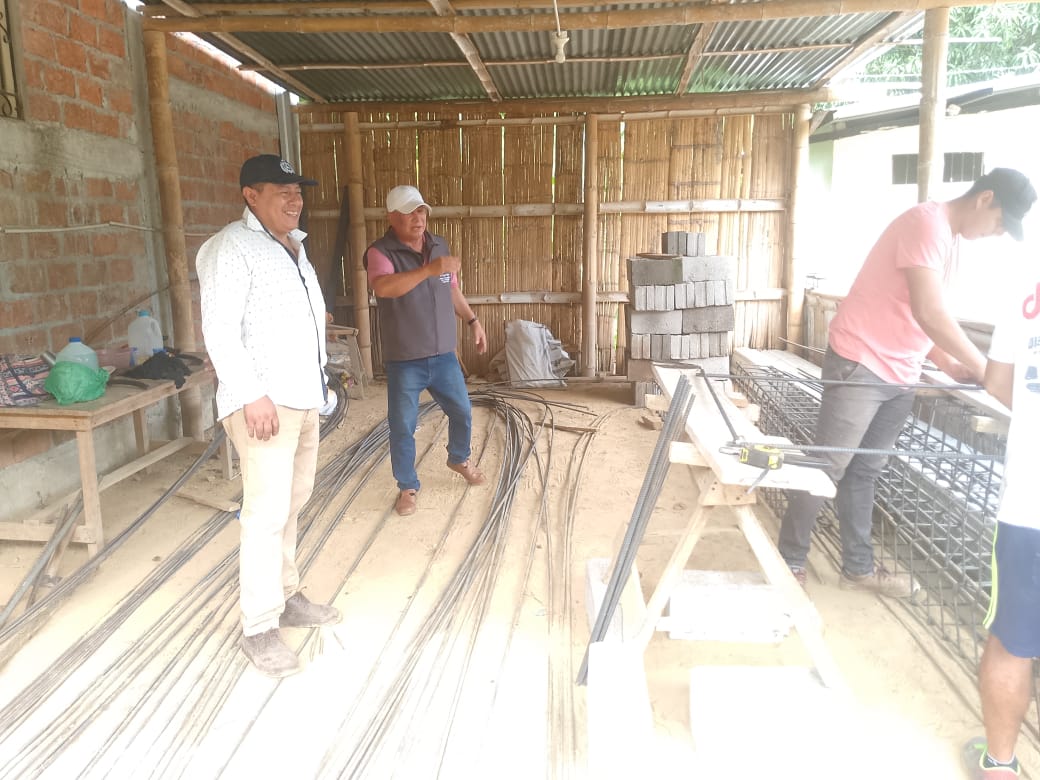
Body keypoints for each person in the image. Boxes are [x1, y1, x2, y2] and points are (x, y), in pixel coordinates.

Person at [779, 168, 1037, 595]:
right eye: (999, 222)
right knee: (828, 465)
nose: (997, 233)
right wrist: (986, 368)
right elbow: (929, 312)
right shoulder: (926, 224)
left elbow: (913, 311)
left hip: (901, 370)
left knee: (865, 471)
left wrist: (946, 362)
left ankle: (858, 570)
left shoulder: (949, 238)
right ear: (984, 198)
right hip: (862, 362)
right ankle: (789, 561)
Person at [196, 154, 341, 678]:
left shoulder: (294, 247)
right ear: (250, 196)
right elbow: (219, 329)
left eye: (297, 190)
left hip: (302, 397)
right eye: (282, 191)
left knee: (293, 501)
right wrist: (250, 394)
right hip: (264, 402)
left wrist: (320, 380)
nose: (294, 199)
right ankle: (258, 627)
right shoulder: (230, 247)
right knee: (264, 513)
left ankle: (286, 594)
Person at [365, 184, 488, 516]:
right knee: (403, 426)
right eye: (408, 212)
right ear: (391, 217)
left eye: (421, 210)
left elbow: (451, 289)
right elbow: (384, 288)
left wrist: (473, 320)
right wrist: (428, 270)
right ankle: (407, 486)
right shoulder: (380, 252)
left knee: (462, 411)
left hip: (444, 355)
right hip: (405, 359)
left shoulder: (439, 247)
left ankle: (459, 458)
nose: (417, 218)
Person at [963, 263, 1040, 779]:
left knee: (1012, 641)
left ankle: (1000, 765)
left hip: (1031, 508)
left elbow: (997, 381)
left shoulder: (1028, 284)